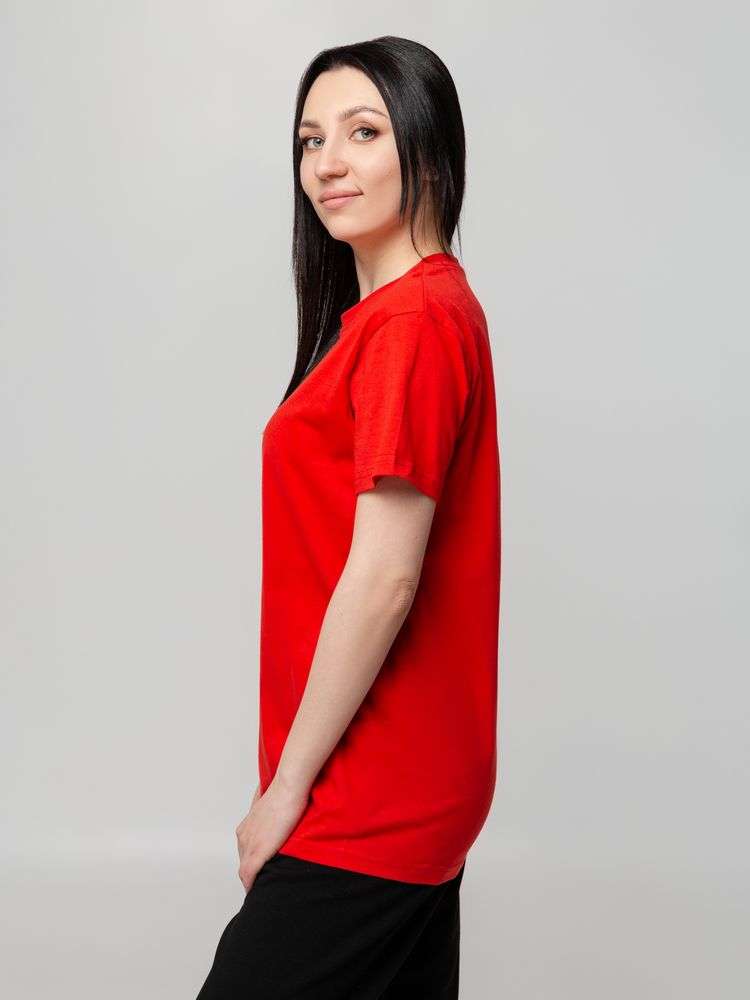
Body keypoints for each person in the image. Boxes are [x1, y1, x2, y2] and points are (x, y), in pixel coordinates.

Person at [196, 34, 501, 999]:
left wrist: (285, 793)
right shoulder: (411, 314)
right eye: (310, 138)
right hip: (407, 779)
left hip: (372, 792)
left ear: (427, 145)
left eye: (363, 131)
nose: (327, 161)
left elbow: (385, 578)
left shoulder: (411, 322)